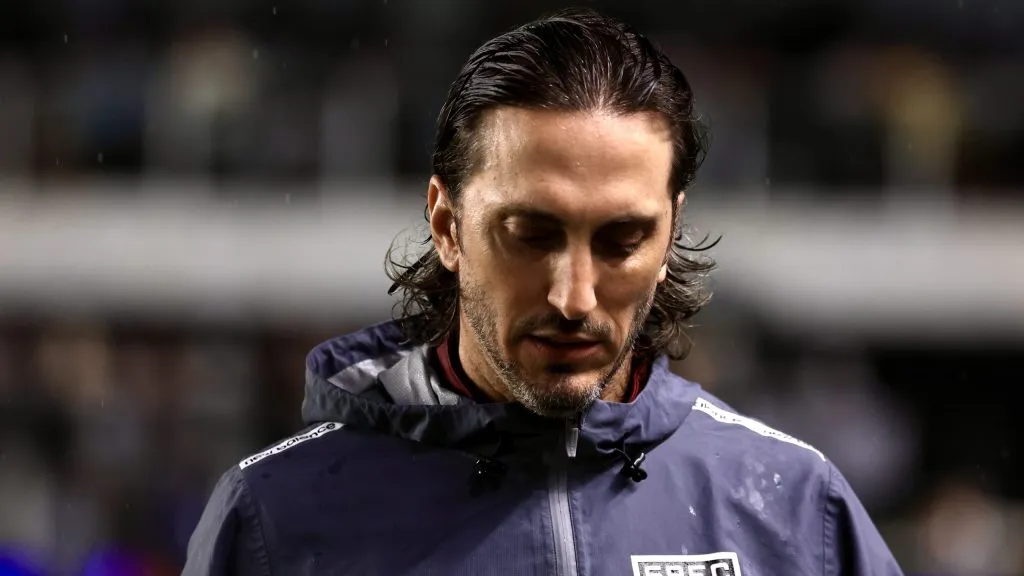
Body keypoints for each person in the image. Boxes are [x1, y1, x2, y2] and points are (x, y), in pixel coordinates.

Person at [183, 7, 904, 575]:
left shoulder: (796, 509)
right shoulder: (275, 518)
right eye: (531, 234)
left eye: (622, 240)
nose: (575, 296)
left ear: (670, 234)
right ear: (447, 224)